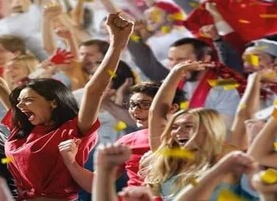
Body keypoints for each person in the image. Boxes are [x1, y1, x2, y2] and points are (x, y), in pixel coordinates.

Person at [0, 12, 134, 200]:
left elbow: (94, 90)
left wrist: (117, 43)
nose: (20, 105)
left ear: (53, 102)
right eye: (20, 101)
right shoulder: (22, 127)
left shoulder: (74, 129)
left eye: (28, 100)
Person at [58, 81, 187, 192]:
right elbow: (95, 184)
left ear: (173, 108)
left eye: (145, 104)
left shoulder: (188, 138)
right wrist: (71, 161)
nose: (135, 110)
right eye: (132, 105)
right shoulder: (127, 141)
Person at [141, 60, 235, 200]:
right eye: (174, 127)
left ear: (209, 129)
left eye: (188, 126)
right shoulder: (169, 159)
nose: (178, 131)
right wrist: (175, 73)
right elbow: (156, 114)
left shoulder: (224, 159)